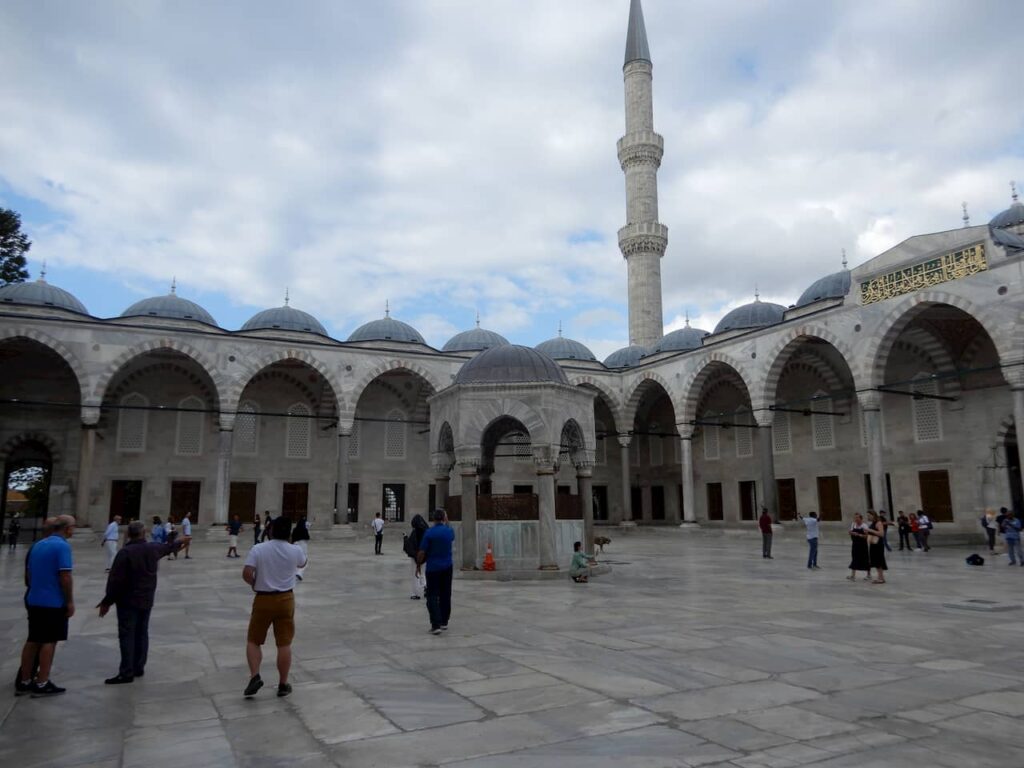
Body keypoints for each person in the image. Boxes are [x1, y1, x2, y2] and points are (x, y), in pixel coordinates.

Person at [97, 520, 183, 683]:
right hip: (146, 600)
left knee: (127, 634)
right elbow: (168, 548)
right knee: (142, 633)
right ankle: (138, 666)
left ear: (129, 534)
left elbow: (115, 581)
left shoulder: (125, 553)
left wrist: (107, 602)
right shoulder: (152, 549)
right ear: (144, 533)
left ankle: (127, 671)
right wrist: (180, 541)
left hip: (128, 601)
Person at [242, 515, 307, 698]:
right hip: (286, 600)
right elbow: (303, 563)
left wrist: (254, 583)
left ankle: (255, 676)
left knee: (254, 640)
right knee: (284, 643)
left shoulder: (259, 549)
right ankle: (283, 683)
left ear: (271, 530)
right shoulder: (295, 550)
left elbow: (247, 573)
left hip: (263, 598)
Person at [16, 515, 76, 696]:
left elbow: (28, 574)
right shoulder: (62, 546)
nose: (74, 529)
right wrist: (69, 601)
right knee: (49, 641)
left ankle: (25, 680)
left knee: (32, 640)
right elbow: (65, 576)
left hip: (34, 598)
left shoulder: (38, 545)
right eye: (73, 526)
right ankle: (42, 682)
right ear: (66, 529)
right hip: (52, 601)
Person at [417, 508, 455, 635]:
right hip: (447, 567)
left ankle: (436, 624)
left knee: (432, 595)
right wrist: (447, 521)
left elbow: (422, 551)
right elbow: (451, 535)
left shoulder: (429, 533)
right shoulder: (449, 531)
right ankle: (444, 621)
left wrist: (418, 565)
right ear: (444, 518)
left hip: (433, 568)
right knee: (446, 594)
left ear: (433, 519)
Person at [406, 513, 429, 599]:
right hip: (425, 556)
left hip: (416, 556)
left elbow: (411, 545)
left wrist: (405, 539)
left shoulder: (415, 532)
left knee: (415, 574)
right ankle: (426, 586)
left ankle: (415, 593)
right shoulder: (427, 531)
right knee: (423, 573)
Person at [847, 513, 871, 581]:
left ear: (861, 518)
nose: (856, 519)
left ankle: (869, 574)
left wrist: (859, 535)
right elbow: (849, 532)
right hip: (855, 544)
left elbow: (866, 536)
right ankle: (853, 575)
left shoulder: (864, 525)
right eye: (855, 518)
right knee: (854, 558)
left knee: (865, 558)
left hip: (863, 545)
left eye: (857, 517)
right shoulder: (853, 524)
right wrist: (852, 533)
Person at [866, 511, 888, 584]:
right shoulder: (873, 523)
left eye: (869, 515)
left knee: (879, 561)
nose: (868, 517)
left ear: (873, 515)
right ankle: (879, 577)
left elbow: (882, 534)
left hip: (878, 544)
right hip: (873, 544)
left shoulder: (878, 523)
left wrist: (870, 530)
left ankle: (881, 578)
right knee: (876, 561)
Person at [291, 516, 310, 581]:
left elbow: (292, 537)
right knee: (304, 560)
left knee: (295, 560)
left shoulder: (295, 529)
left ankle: (294, 573)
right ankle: (299, 573)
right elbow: (307, 537)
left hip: (295, 544)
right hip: (303, 545)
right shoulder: (304, 529)